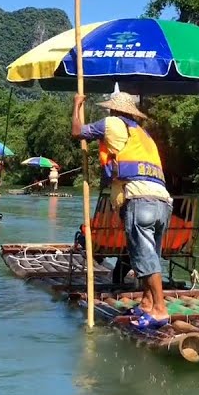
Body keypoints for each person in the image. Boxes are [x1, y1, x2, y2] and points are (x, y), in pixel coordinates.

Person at [72, 90, 172, 329]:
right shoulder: (143, 134)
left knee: (144, 258)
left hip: (139, 199)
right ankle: (147, 303)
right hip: (162, 202)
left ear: (114, 110)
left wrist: (76, 106)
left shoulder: (112, 124)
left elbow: (77, 132)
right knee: (151, 254)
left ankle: (159, 309)